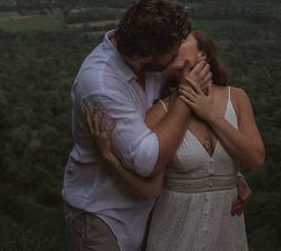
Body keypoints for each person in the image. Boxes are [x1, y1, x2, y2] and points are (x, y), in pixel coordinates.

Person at [86, 29, 264, 251]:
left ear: (203, 55)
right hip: (175, 235)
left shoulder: (237, 98)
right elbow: (149, 189)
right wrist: (108, 157)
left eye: (180, 45)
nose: (171, 48)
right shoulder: (160, 112)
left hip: (227, 233)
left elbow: (256, 159)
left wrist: (212, 116)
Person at [63, 0, 217, 251]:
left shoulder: (151, 62)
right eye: (172, 54)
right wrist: (185, 95)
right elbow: (147, 160)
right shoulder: (100, 84)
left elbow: (178, 129)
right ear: (143, 56)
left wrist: (223, 170)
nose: (178, 59)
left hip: (150, 216)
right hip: (104, 218)